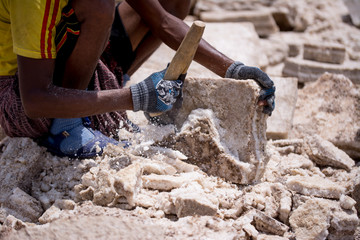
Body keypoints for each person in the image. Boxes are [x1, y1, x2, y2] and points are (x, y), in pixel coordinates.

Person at [0, 0, 275, 158]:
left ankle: (102, 91)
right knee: (98, 5)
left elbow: (163, 20)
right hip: (16, 95)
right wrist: (135, 98)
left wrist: (233, 70)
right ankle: (68, 126)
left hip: (68, 63)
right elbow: (34, 100)